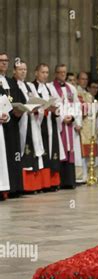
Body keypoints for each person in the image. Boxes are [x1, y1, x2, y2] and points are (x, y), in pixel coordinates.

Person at [13, 61, 45, 193]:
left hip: (31, 121)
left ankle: (33, 186)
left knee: (33, 153)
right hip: (21, 123)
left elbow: (37, 101)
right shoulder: (12, 85)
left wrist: (37, 108)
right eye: (20, 69)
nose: (23, 72)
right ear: (14, 71)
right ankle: (24, 186)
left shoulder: (29, 86)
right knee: (25, 153)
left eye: (25, 69)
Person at [48, 64, 81, 189]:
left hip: (69, 125)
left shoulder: (71, 88)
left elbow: (77, 106)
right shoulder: (50, 88)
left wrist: (72, 117)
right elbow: (51, 104)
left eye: (64, 72)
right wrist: (62, 118)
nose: (63, 74)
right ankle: (59, 181)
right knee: (60, 150)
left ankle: (69, 181)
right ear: (56, 73)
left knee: (69, 150)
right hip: (58, 124)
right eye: (60, 72)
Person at [32, 63, 63, 191]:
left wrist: (55, 110)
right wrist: (42, 109)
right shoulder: (32, 87)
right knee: (41, 153)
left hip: (50, 123)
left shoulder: (49, 88)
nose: (45, 75)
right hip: (39, 124)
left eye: (46, 72)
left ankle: (51, 183)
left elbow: (56, 105)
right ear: (36, 73)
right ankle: (41, 183)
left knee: (52, 153)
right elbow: (32, 104)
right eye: (42, 72)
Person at [0, 52, 24, 198]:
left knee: (13, 156)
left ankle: (13, 187)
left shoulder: (11, 81)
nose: (4, 63)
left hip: (12, 124)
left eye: (6, 61)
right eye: (1, 60)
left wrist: (20, 111)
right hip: (2, 125)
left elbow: (19, 100)